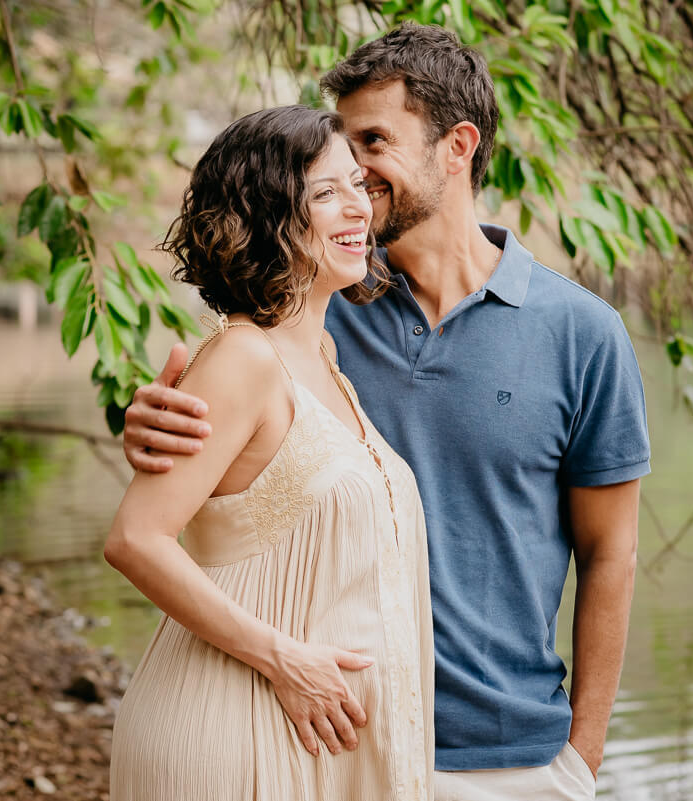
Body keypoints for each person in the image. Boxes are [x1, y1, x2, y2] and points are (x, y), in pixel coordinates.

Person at [124, 22, 649, 801]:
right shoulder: (313, 308)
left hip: (508, 753)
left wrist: (581, 757)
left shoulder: (582, 333)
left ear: (457, 146)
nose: (356, 173)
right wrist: (144, 424)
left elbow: (611, 552)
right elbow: (210, 459)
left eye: (373, 141)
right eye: (340, 154)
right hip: (331, 738)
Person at [104, 105, 434, 801]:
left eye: (357, 185)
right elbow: (136, 537)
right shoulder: (243, 358)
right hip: (235, 724)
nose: (357, 208)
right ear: (267, 218)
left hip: (313, 733)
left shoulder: (323, 354)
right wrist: (284, 660)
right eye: (325, 193)